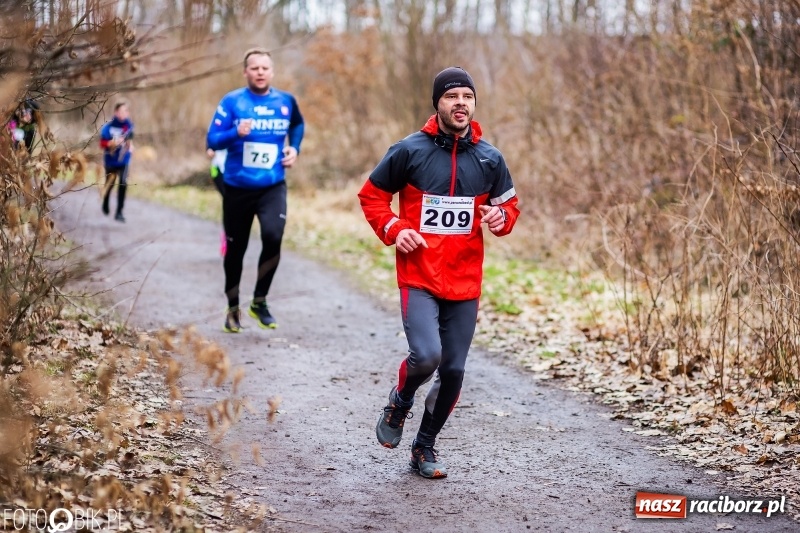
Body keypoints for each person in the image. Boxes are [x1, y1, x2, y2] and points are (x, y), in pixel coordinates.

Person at [358, 67, 520, 479]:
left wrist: (499, 217)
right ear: (438, 103)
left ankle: (424, 448)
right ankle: (400, 400)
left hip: (465, 282)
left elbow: (509, 209)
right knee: (427, 356)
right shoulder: (408, 151)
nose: (460, 103)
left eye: (467, 96)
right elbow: (372, 197)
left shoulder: (490, 158)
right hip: (419, 275)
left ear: (474, 103)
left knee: (453, 370)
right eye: (452, 96)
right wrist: (395, 229)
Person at [206, 48, 305, 333]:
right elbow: (212, 140)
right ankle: (233, 307)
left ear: (271, 72)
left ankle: (259, 301)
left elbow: (298, 124)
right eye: (254, 67)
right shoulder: (232, 101)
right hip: (237, 188)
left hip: (272, 186)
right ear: (245, 72)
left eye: (265, 67)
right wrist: (235, 133)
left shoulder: (285, 101)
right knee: (236, 251)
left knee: (273, 237)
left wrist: (294, 148)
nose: (260, 72)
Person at [99, 102, 134, 222]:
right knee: (110, 182)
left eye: (126, 111)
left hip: (124, 159)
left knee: (123, 183)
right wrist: (111, 143)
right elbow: (102, 143)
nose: (124, 114)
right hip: (111, 159)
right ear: (116, 112)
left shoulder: (128, 126)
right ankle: (105, 201)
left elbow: (130, 138)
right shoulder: (108, 127)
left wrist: (129, 144)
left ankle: (119, 211)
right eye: (121, 111)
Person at [206, 148, 228, 257]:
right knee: (229, 202)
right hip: (218, 169)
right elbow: (211, 137)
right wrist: (209, 149)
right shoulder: (218, 129)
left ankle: (231, 235)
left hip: (237, 171)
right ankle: (227, 237)